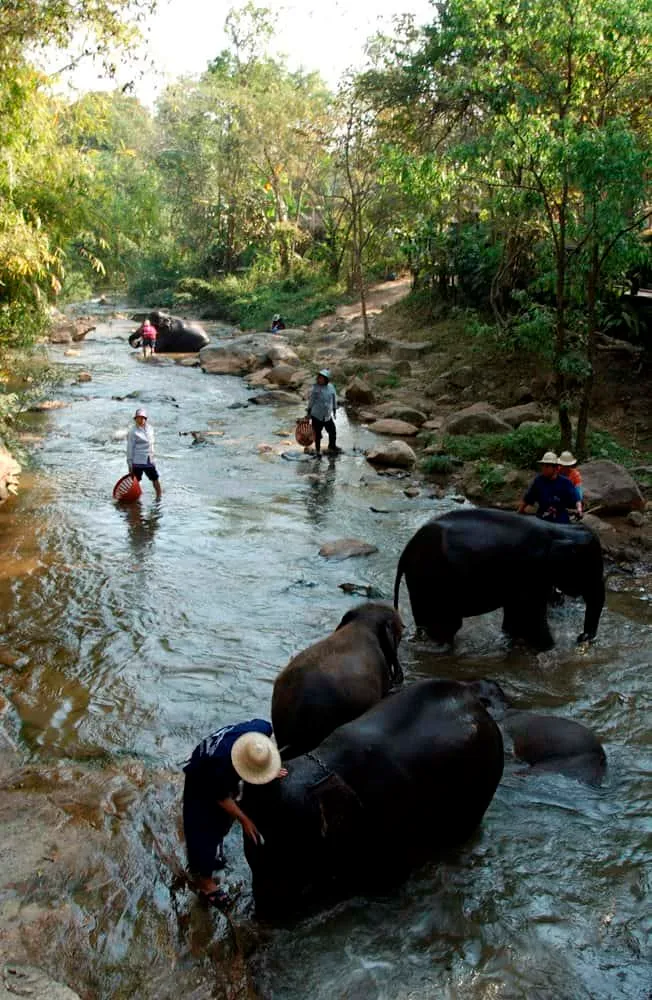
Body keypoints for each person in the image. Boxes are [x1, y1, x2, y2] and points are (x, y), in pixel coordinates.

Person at [182, 720, 287, 908]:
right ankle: (205, 883)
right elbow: (220, 797)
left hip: (222, 765)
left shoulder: (261, 728)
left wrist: (267, 766)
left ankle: (216, 843)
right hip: (201, 775)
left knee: (222, 818)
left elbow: (262, 738)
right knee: (203, 826)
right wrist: (244, 820)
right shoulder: (221, 765)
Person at [518, 451, 582, 524]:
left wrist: (579, 509)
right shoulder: (538, 481)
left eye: (547, 466)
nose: (543, 468)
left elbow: (576, 498)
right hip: (542, 517)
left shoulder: (565, 482)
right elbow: (528, 498)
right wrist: (519, 512)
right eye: (543, 465)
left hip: (560, 518)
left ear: (555, 468)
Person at [126, 408, 162, 498]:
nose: (140, 420)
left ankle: (159, 498)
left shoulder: (150, 429)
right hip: (137, 461)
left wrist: (153, 459)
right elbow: (130, 448)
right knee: (135, 482)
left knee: (155, 479)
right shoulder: (132, 432)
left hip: (149, 460)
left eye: (142, 418)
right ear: (135, 419)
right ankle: (136, 499)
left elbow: (151, 444)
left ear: (146, 419)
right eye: (138, 418)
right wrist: (130, 464)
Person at [307, 368, 340, 456]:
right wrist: (308, 412)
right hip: (317, 415)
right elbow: (311, 401)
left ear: (326, 379)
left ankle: (332, 446)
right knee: (317, 434)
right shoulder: (315, 388)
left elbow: (334, 398)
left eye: (321, 378)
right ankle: (318, 450)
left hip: (327, 415)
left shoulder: (331, 387)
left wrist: (334, 409)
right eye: (319, 378)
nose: (319, 379)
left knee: (332, 431)